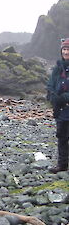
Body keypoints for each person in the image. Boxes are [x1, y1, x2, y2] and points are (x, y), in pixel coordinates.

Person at [47, 38, 69, 173]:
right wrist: (52, 97)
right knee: (61, 137)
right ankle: (62, 165)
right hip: (60, 110)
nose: (66, 52)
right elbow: (50, 85)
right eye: (64, 49)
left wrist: (65, 97)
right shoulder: (57, 69)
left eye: (68, 49)